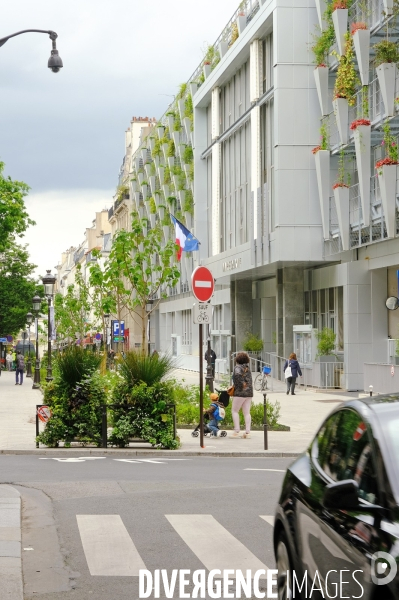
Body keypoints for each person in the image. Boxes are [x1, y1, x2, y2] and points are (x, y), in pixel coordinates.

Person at [231, 352, 253, 439]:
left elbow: (237, 377)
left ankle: (237, 430)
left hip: (240, 393)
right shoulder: (247, 368)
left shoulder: (237, 368)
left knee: (234, 411)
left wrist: (239, 386)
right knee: (247, 413)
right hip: (249, 393)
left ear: (238, 360)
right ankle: (247, 431)